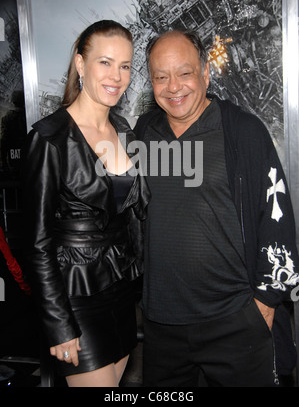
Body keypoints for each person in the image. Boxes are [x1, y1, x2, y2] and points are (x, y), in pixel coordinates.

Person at [134, 29, 299, 387]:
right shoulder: (144, 132)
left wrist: (266, 303)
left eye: (185, 73)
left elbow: (276, 216)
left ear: (205, 73)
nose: (173, 86)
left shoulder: (242, 131)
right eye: (161, 77)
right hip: (162, 326)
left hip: (235, 320)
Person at [22, 20, 150, 387]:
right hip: (74, 296)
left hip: (121, 291)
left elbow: (131, 216)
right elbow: (37, 245)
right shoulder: (48, 139)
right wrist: (58, 324)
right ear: (80, 65)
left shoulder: (124, 130)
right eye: (105, 63)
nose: (117, 76)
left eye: (125, 66)